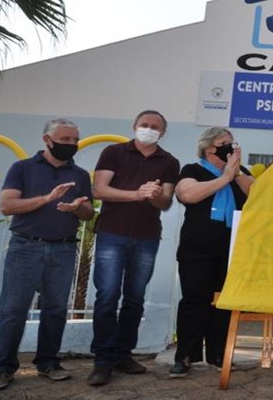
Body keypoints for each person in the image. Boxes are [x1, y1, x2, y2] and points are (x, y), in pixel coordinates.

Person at [0, 118, 94, 392]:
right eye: (65, 139)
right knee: (13, 310)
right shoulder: (22, 168)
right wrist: (47, 199)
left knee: (55, 309)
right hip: (26, 247)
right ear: (47, 140)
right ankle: (2, 368)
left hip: (65, 248)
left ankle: (48, 363)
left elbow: (89, 213)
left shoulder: (79, 174)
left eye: (74, 140)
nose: (71, 144)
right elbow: (7, 205)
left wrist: (78, 208)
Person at [87, 110, 180, 386]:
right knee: (107, 296)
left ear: (163, 132)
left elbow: (165, 202)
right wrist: (136, 194)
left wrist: (152, 196)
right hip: (111, 234)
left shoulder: (169, 162)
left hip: (147, 237)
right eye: (144, 125)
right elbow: (99, 190)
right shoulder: (113, 152)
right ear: (134, 126)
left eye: (155, 127)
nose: (149, 129)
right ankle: (102, 360)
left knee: (135, 298)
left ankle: (122, 354)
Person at [168, 127, 253, 378]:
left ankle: (218, 354)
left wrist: (235, 173)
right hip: (197, 250)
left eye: (231, 142)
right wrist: (223, 178)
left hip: (231, 250)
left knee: (224, 303)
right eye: (223, 143)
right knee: (194, 301)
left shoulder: (239, 173)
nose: (230, 146)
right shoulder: (192, 170)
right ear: (209, 148)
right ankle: (185, 356)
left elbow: (258, 194)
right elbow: (187, 194)